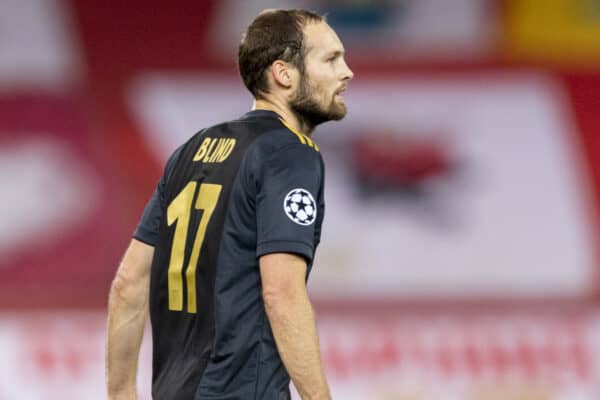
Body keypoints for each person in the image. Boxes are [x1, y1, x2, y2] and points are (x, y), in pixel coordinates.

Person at [106, 8, 353, 400]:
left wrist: (120, 393)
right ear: (283, 74)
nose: (347, 72)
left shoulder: (192, 149)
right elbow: (282, 293)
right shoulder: (290, 154)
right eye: (330, 59)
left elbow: (128, 284)